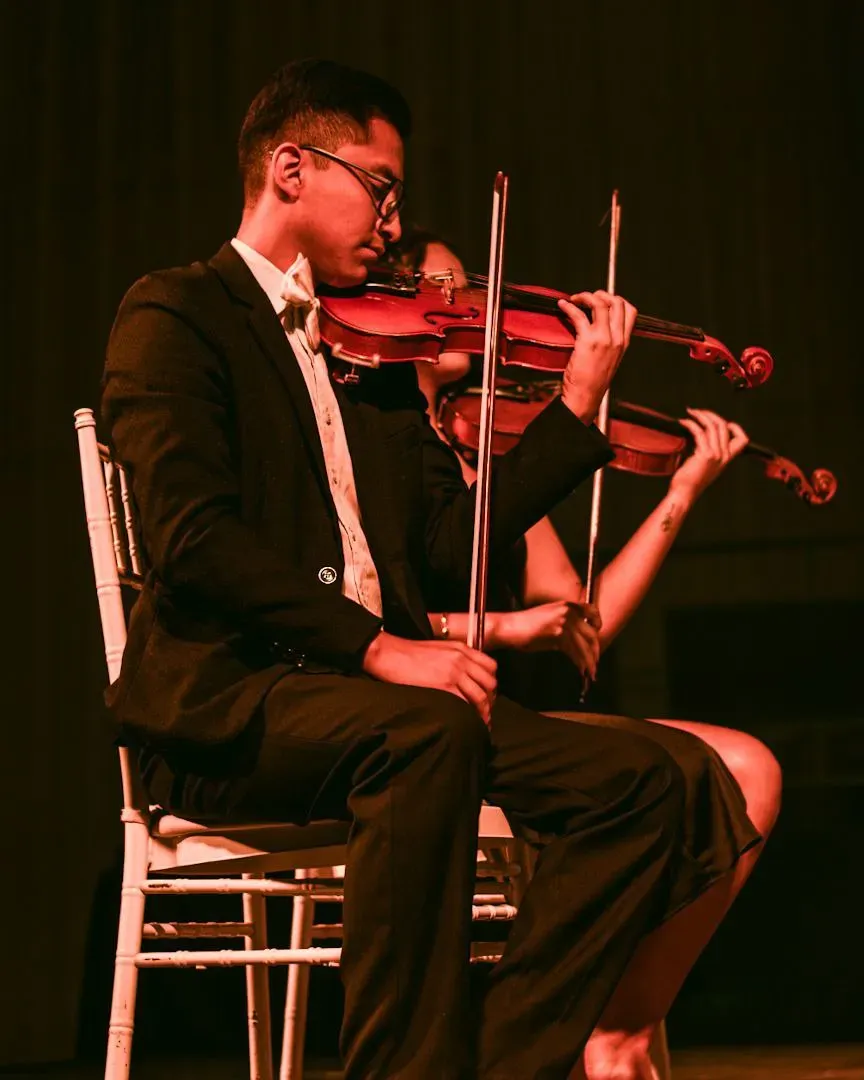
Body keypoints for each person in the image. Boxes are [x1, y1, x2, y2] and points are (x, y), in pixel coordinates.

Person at [101, 59, 760, 1080]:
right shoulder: (178, 316)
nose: (396, 221)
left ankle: (484, 1065)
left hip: (379, 710)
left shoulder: (371, 363)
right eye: (378, 183)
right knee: (429, 728)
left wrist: (578, 407)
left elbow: (453, 549)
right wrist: (379, 649)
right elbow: (194, 541)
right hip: (235, 709)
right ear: (289, 168)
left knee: (655, 780)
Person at [389, 227, 781, 1079]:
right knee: (665, 780)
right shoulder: (383, 447)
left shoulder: (483, 457)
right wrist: (505, 628)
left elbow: (584, 617)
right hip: (434, 725)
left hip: (527, 714)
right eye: (451, 293)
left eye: (474, 294)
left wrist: (678, 495)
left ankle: (622, 1025)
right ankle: (587, 1036)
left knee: (752, 768)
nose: (476, 314)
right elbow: (381, 617)